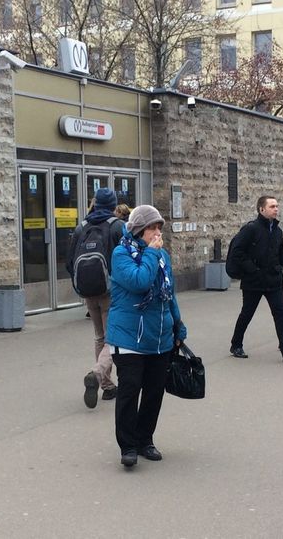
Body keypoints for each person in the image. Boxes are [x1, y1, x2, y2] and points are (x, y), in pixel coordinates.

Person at [106, 205, 187, 467]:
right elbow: (139, 282)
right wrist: (152, 254)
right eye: (152, 227)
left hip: (159, 336)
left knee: (154, 392)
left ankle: (145, 440)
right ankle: (127, 446)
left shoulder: (161, 256)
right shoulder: (121, 254)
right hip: (129, 338)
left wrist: (178, 326)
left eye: (159, 228)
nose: (157, 233)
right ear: (139, 229)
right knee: (130, 392)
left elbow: (169, 293)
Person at [67, 188, 125, 409]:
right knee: (114, 338)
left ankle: (108, 387)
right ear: (113, 205)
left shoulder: (82, 227)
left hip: (88, 291)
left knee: (100, 336)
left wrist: (80, 284)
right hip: (112, 291)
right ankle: (98, 373)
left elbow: (69, 262)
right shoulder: (117, 226)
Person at [228, 196, 283, 362]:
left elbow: (280, 253)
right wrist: (253, 269)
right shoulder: (251, 229)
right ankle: (236, 344)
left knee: (280, 314)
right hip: (253, 281)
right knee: (247, 313)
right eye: (272, 206)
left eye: (277, 206)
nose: (276, 209)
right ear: (261, 209)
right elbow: (237, 252)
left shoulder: (277, 231)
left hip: (274, 279)